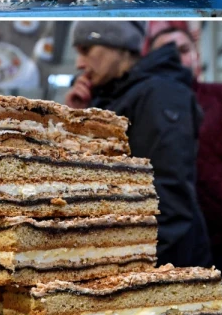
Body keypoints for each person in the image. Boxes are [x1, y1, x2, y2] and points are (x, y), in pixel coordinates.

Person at [66, 21, 211, 268]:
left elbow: (167, 197)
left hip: (161, 264)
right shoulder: (113, 96)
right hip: (126, 252)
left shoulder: (159, 94)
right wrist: (76, 122)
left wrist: (140, 270)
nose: (79, 63)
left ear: (119, 47)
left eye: (86, 50)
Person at [148, 24, 222, 315]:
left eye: (182, 49)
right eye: (165, 52)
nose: (175, 58)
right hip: (164, 251)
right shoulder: (142, 107)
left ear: (196, 56)